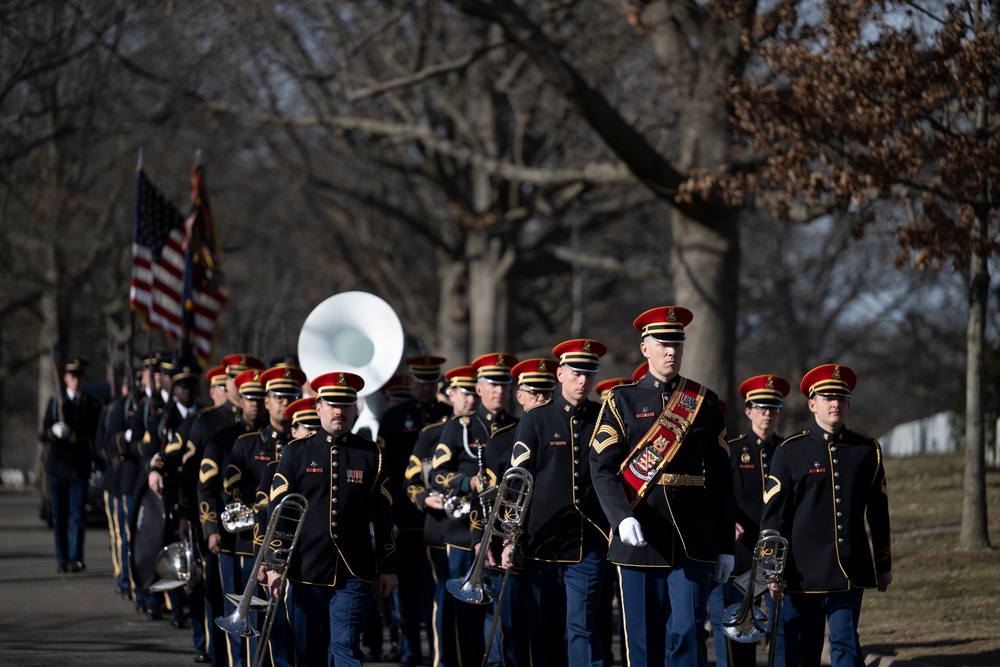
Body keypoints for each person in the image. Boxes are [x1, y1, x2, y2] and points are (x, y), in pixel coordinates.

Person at [589, 306, 734, 667]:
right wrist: (621, 518)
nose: (671, 351)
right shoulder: (620, 401)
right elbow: (602, 467)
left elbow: (720, 478)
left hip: (693, 535)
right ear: (645, 349)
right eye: (663, 343)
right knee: (643, 638)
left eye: (677, 344)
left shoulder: (704, 401)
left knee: (687, 631)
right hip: (640, 532)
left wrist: (726, 546)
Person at [760, 364, 892, 667]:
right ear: (812, 404)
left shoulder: (866, 449)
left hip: (849, 568)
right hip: (800, 573)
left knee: (845, 643)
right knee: (803, 651)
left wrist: (883, 563)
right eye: (828, 397)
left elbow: (879, 511)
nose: (836, 404)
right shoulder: (790, 451)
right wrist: (771, 569)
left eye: (842, 398)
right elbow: (773, 516)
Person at [266, 371, 398, 667]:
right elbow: (278, 513)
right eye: (332, 404)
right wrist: (274, 565)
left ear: (355, 409)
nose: (339, 411)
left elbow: (383, 514)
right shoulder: (295, 452)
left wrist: (388, 567)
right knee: (308, 653)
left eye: (346, 404)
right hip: (305, 567)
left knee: (346, 649)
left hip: (354, 569)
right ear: (318, 407)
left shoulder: (371, 454)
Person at [505, 339, 610, 667]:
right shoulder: (536, 419)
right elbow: (517, 482)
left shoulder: (604, 417)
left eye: (589, 374)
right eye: (576, 373)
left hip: (589, 539)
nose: (583, 381)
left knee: (582, 626)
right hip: (543, 541)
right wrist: (509, 537)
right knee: (545, 627)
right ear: (560, 373)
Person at [430, 352, 518, 667]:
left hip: (507, 532)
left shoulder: (518, 428)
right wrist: (469, 482)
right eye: (492, 384)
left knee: (507, 619)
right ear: (478, 388)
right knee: (464, 619)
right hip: (462, 533)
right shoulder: (459, 427)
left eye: (505, 384)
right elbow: (436, 474)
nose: (499, 391)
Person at [708, 373, 791, 667]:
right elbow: (715, 493)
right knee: (736, 632)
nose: (767, 414)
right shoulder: (731, 449)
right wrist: (725, 521)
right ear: (749, 411)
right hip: (741, 556)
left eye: (773, 408)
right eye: (761, 407)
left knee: (782, 631)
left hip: (777, 559)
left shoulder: (789, 450)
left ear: (780, 412)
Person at [404, 365, 479, 667]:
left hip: (481, 527)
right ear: (450, 394)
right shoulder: (432, 433)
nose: (470, 399)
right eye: (464, 392)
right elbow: (411, 479)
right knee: (446, 600)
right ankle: (443, 661)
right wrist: (425, 498)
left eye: (475, 392)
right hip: (442, 528)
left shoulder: (488, 430)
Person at [377, 355, 450, 666]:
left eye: (431, 382)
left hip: (441, 518)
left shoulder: (447, 415)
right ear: (410, 382)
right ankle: (410, 650)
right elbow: (384, 471)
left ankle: (438, 651)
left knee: (438, 589)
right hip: (405, 518)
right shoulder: (394, 418)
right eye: (420, 382)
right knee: (407, 590)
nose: (425, 388)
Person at [200, 368, 268, 667]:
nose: (254, 403)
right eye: (248, 397)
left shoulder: (276, 437)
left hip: (268, 539)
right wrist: (211, 527)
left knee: (266, 615)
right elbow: (207, 487)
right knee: (236, 611)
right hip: (233, 538)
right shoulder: (223, 438)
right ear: (239, 400)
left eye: (259, 398)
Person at [41, 357, 101, 574]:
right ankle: (62, 558)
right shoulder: (55, 402)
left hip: (79, 466)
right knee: (60, 517)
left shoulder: (91, 403)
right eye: (72, 376)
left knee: (77, 515)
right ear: (66, 378)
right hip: (58, 465)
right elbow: (44, 433)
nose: (76, 380)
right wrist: (54, 431)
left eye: (80, 376)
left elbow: (95, 435)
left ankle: (76, 558)